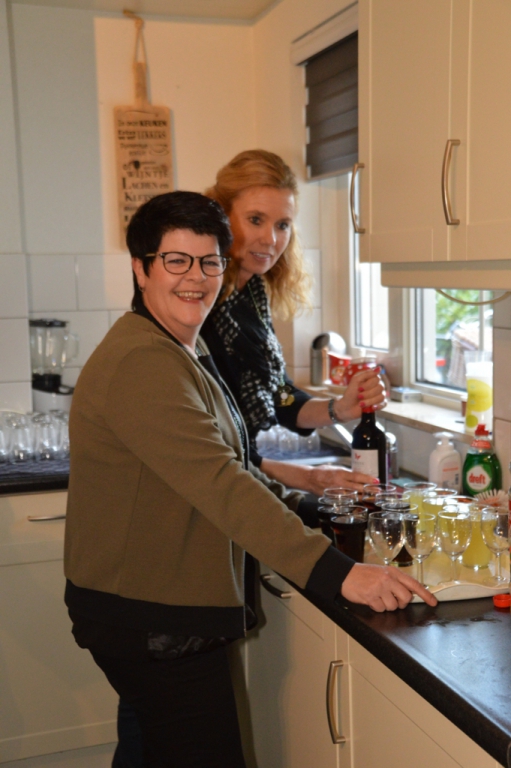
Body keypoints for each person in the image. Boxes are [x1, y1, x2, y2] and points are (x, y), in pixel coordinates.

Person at [64, 191, 436, 768]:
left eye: (209, 261)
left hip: (144, 609)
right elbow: (221, 484)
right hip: (153, 618)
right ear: (141, 268)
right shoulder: (144, 362)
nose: (196, 277)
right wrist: (339, 574)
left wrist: (312, 507)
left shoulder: (177, 348)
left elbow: (228, 464)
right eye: (176, 261)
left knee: (149, 750)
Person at [202, 149, 385, 496]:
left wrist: (339, 408)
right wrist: (311, 478)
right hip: (212, 488)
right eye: (256, 219)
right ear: (221, 218)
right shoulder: (203, 305)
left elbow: (281, 398)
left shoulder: (250, 293)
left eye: (282, 225)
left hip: (234, 480)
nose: (271, 239)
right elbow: (212, 449)